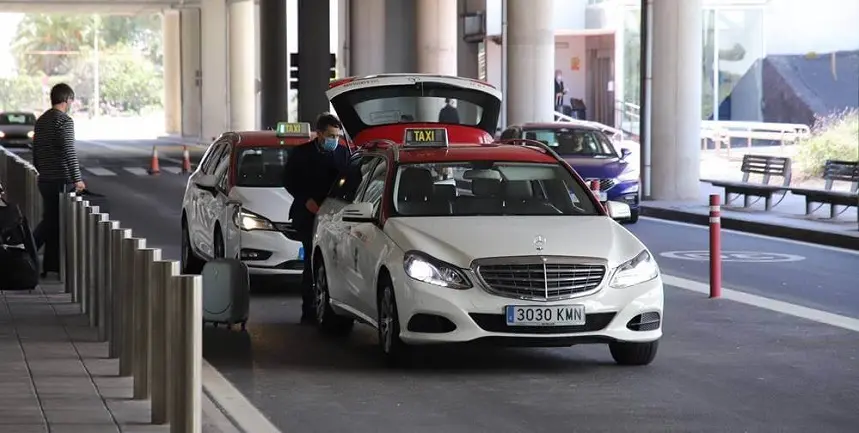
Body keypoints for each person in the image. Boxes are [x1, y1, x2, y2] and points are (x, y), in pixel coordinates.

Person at [283, 113, 350, 324]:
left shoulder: (343, 154)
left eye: (337, 136)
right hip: (309, 215)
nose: (334, 140)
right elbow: (288, 180)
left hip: (334, 216)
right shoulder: (301, 154)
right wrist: (306, 200)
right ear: (319, 134)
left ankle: (333, 305)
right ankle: (309, 308)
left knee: (333, 261)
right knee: (311, 260)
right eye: (331, 135)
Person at [32, 83, 85, 277]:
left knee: (53, 223)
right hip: (61, 180)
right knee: (51, 223)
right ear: (67, 100)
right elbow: (69, 151)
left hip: (45, 179)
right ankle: (27, 248)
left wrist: (43, 170)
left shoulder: (41, 120)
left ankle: (51, 266)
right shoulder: (64, 121)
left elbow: (35, 153)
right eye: (71, 100)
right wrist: (77, 179)